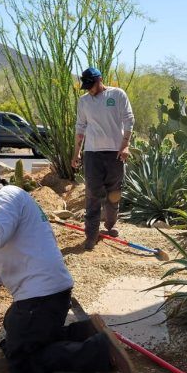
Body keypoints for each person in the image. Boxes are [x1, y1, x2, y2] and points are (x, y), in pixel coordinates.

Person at [0, 164, 135, 373]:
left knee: (21, 361)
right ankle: (84, 331)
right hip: (52, 293)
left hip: (40, 298)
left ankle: (98, 351)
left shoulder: (1, 202)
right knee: (13, 323)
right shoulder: (14, 198)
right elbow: (4, 257)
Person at [71, 67, 135, 250]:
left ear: (100, 80)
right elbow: (80, 127)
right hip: (92, 154)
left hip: (115, 152)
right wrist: (76, 153)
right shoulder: (84, 101)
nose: (90, 89)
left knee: (114, 193)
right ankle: (91, 235)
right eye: (87, 86)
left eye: (92, 85)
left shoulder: (117, 95)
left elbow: (129, 119)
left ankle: (110, 225)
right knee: (92, 195)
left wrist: (126, 145)